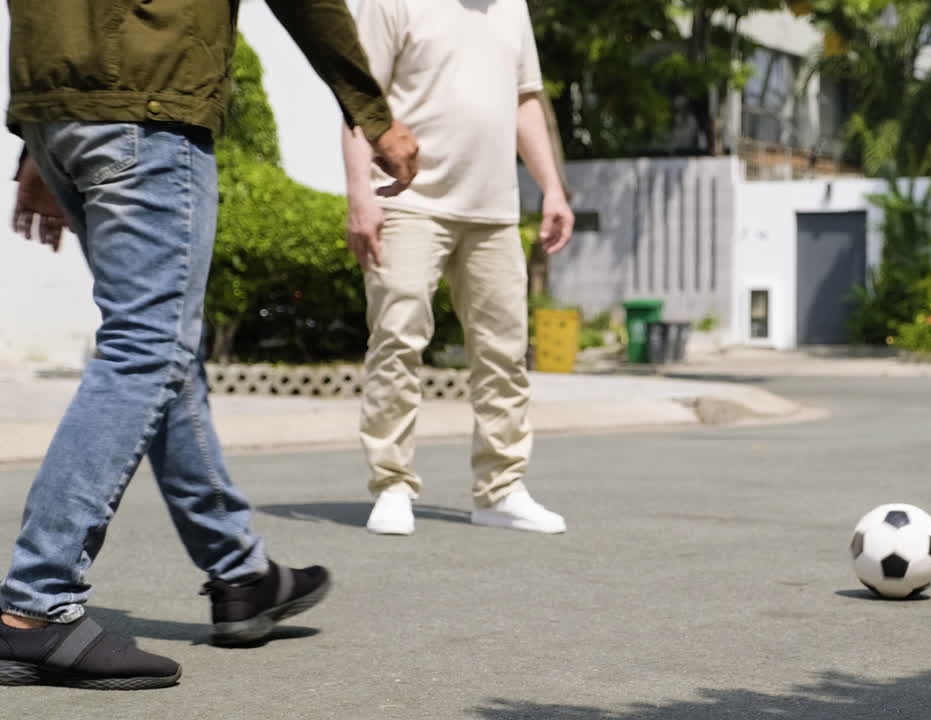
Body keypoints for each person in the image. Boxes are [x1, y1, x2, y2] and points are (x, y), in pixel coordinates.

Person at [0, 0, 419, 690]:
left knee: (168, 355)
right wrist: (372, 112)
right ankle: (36, 604)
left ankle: (240, 575)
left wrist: (41, 132)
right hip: (148, 107)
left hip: (63, 109)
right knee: (145, 349)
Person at [343, 0, 574, 536]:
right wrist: (360, 193)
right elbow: (357, 99)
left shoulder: (511, 8)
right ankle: (392, 484)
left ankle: (500, 490)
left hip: (492, 209)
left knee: (505, 352)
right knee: (398, 339)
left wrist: (554, 189)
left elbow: (525, 101)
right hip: (406, 201)